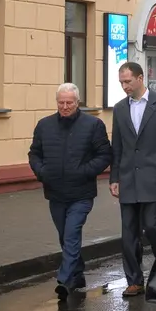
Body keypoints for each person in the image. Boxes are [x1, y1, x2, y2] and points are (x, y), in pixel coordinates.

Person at [29, 83, 112, 300]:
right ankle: (77, 273)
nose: (65, 107)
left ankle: (64, 280)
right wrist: (42, 172)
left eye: (69, 103)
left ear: (77, 102)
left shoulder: (93, 125)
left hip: (81, 193)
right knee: (65, 237)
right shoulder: (44, 125)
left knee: (72, 233)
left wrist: (84, 171)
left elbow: (104, 155)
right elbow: (34, 154)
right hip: (55, 192)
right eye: (61, 103)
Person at [109, 62, 156, 297]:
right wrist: (114, 177)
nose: (124, 86)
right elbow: (117, 146)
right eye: (121, 82)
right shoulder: (120, 108)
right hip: (128, 178)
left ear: (141, 78)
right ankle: (134, 280)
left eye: (128, 81)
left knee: (153, 227)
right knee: (129, 233)